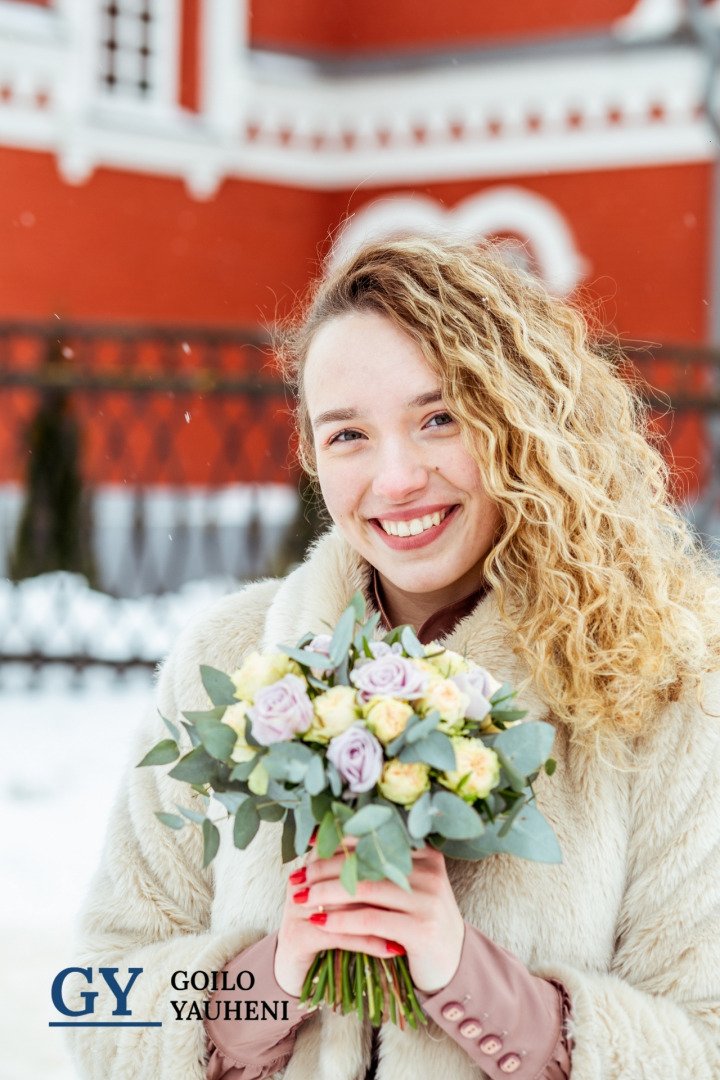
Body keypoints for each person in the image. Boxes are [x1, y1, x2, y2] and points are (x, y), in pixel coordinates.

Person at [66, 236, 720, 1080]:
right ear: (311, 454)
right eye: (349, 436)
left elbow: (704, 1042)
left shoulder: (652, 686)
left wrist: (474, 982)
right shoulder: (227, 666)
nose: (398, 477)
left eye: (438, 418)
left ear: (516, 420)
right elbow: (95, 997)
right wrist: (274, 979)